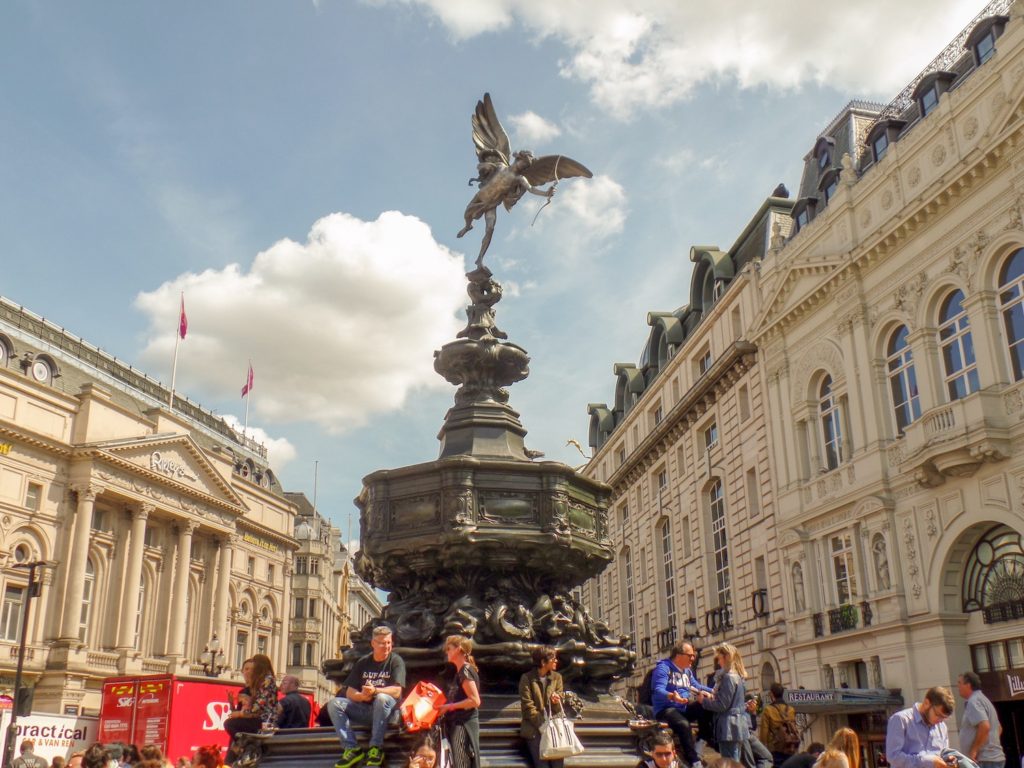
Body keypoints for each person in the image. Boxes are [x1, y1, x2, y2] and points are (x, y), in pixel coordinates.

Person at [329, 625, 406, 768]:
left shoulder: (396, 661)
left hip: (388, 713)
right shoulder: (363, 662)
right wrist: (362, 697)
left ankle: (375, 748)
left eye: (388, 642)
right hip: (366, 710)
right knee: (334, 703)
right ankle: (352, 749)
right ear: (373, 643)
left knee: (382, 698)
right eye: (382, 643)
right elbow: (349, 692)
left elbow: (397, 691)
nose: (386, 646)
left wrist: (375, 691)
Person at [652, 641, 712, 768]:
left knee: (706, 706)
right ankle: (694, 761)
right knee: (683, 724)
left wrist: (715, 692)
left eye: (694, 655)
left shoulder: (687, 671)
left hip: (683, 707)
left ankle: (701, 741)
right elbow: (658, 689)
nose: (693, 658)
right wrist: (672, 696)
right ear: (678, 655)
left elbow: (697, 686)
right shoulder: (663, 668)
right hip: (666, 709)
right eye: (690, 655)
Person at [697, 643, 749, 762]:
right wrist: (712, 697)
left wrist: (703, 701)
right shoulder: (738, 677)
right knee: (734, 760)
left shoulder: (728, 677)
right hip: (736, 725)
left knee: (729, 762)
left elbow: (722, 705)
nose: (718, 662)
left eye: (719, 658)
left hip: (729, 727)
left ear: (727, 658)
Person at [437, 635, 482, 768]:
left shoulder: (465, 671)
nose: (447, 652)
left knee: (461, 762)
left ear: (458, 649)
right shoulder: (461, 672)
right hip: (459, 722)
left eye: (449, 648)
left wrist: (449, 706)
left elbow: (475, 701)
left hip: (463, 724)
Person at [225, 653, 278, 764]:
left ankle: (244, 746)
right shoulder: (262, 681)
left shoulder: (267, 680)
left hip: (263, 720)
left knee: (230, 724)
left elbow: (259, 706)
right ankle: (243, 746)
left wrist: (240, 714)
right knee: (233, 725)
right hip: (258, 717)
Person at [885, 686, 955, 768]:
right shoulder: (901, 720)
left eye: (944, 718)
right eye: (938, 715)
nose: (940, 721)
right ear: (926, 703)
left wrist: (949, 760)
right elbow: (893, 757)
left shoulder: (942, 726)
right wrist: (926, 761)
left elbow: (943, 754)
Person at [519, 645, 565, 768]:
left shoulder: (557, 678)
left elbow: (559, 707)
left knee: (557, 764)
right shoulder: (527, 678)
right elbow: (527, 706)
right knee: (542, 765)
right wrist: (542, 725)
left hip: (554, 728)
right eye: (553, 658)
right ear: (543, 662)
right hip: (534, 730)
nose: (556, 661)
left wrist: (556, 702)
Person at [958, 672, 1005, 768]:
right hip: (992, 759)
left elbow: (985, 726)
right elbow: (999, 728)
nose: (958, 687)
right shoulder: (984, 700)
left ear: (968, 685)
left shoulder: (973, 701)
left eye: (960, 683)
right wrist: (990, 745)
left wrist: (974, 750)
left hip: (984, 761)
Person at [760, 685, 800, 768]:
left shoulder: (768, 710)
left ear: (772, 694)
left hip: (775, 747)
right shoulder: (791, 709)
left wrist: (763, 747)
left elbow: (764, 732)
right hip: (790, 746)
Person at [742, 695, 773, 768]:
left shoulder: (749, 711)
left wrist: (753, 713)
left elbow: (753, 727)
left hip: (748, 734)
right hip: (745, 735)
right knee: (766, 758)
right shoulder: (744, 708)